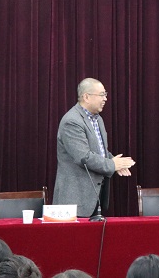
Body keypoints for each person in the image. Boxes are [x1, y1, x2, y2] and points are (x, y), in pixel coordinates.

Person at [53, 78, 136, 217]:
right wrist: (112, 164)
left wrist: (114, 161)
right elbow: (84, 157)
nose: (105, 99)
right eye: (102, 95)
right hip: (75, 200)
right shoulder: (72, 121)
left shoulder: (98, 119)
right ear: (86, 97)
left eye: (105, 94)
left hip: (95, 198)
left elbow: (99, 151)